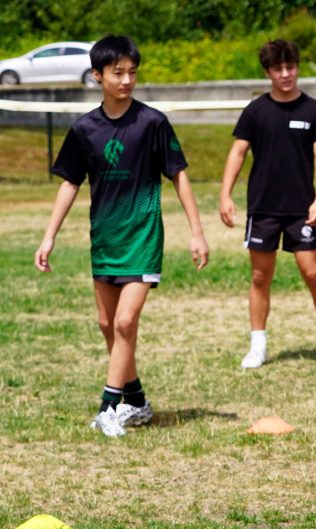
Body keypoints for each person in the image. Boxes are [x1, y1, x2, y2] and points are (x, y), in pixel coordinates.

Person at [34, 35, 208, 438]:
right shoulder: (84, 129)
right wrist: (49, 237)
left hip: (143, 236)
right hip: (105, 239)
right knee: (107, 323)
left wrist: (197, 233)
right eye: (118, 72)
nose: (127, 79)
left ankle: (110, 406)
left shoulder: (152, 123)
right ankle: (138, 400)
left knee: (126, 322)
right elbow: (69, 185)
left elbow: (178, 175)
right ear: (97, 76)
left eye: (132, 72)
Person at [219, 39, 316, 369]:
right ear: (268, 72)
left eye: (291, 67)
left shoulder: (313, 111)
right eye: (278, 69)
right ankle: (257, 345)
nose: (286, 74)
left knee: (312, 273)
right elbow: (237, 152)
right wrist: (225, 194)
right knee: (260, 276)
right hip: (262, 207)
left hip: (302, 208)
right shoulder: (256, 111)